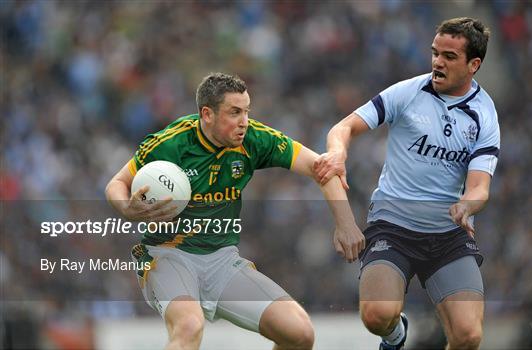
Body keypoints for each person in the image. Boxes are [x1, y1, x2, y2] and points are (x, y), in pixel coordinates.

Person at [105, 72, 362, 350]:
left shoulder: (255, 139)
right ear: (207, 114)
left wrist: (346, 223)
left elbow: (321, 168)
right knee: (189, 326)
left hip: (221, 261)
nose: (244, 122)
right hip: (167, 256)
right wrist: (127, 209)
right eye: (235, 112)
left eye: (247, 111)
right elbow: (117, 183)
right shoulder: (171, 143)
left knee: (299, 333)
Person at [314, 18, 500, 350]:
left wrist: (467, 205)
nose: (437, 62)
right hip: (394, 227)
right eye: (435, 53)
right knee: (376, 316)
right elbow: (343, 128)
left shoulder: (483, 114)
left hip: (448, 236)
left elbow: (480, 187)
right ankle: (395, 335)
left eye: (449, 56)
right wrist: (338, 153)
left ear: (474, 65)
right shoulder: (408, 92)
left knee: (468, 336)